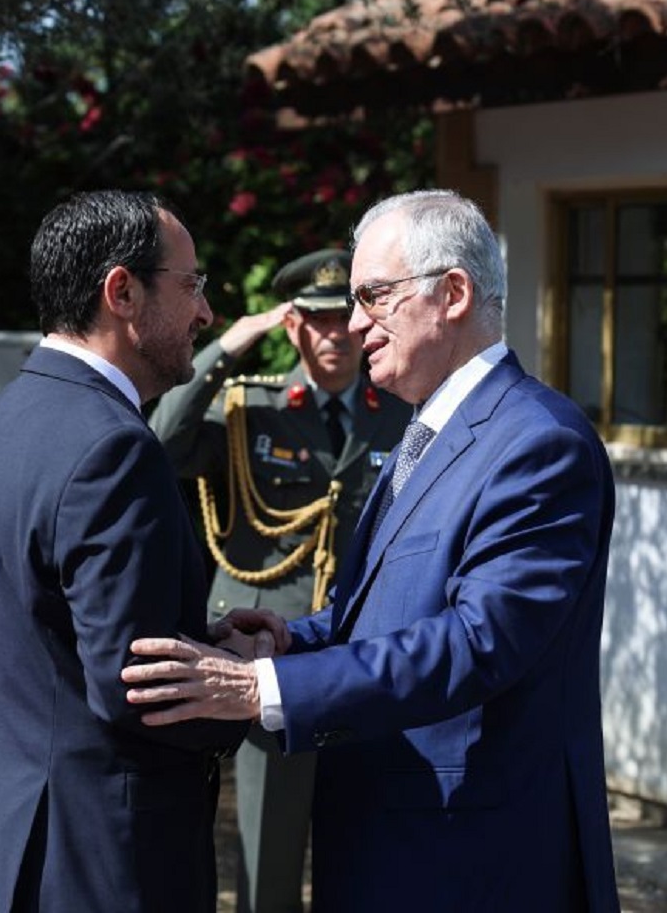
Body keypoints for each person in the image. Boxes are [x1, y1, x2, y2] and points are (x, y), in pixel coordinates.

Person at [123, 190, 622, 911]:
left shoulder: (538, 442)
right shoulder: (431, 428)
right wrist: (292, 639)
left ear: (453, 294)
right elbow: (380, 610)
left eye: (374, 297)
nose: (356, 324)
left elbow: (479, 641)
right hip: (395, 839)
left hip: (473, 855)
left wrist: (265, 690)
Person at [0, 190, 262, 912]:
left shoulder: (0, 416)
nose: (206, 313)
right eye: (191, 285)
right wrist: (247, 683)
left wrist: (200, 642)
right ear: (123, 292)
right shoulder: (114, 446)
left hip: (0, 848)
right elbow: (134, 687)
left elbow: (52, 635)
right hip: (94, 863)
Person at [150, 248, 408, 913]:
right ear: (293, 327)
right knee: (270, 850)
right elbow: (161, 445)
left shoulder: (398, 411)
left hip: (365, 652)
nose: (335, 335)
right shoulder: (249, 406)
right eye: (317, 321)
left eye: (344, 318)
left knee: (374, 843)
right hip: (272, 652)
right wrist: (227, 348)